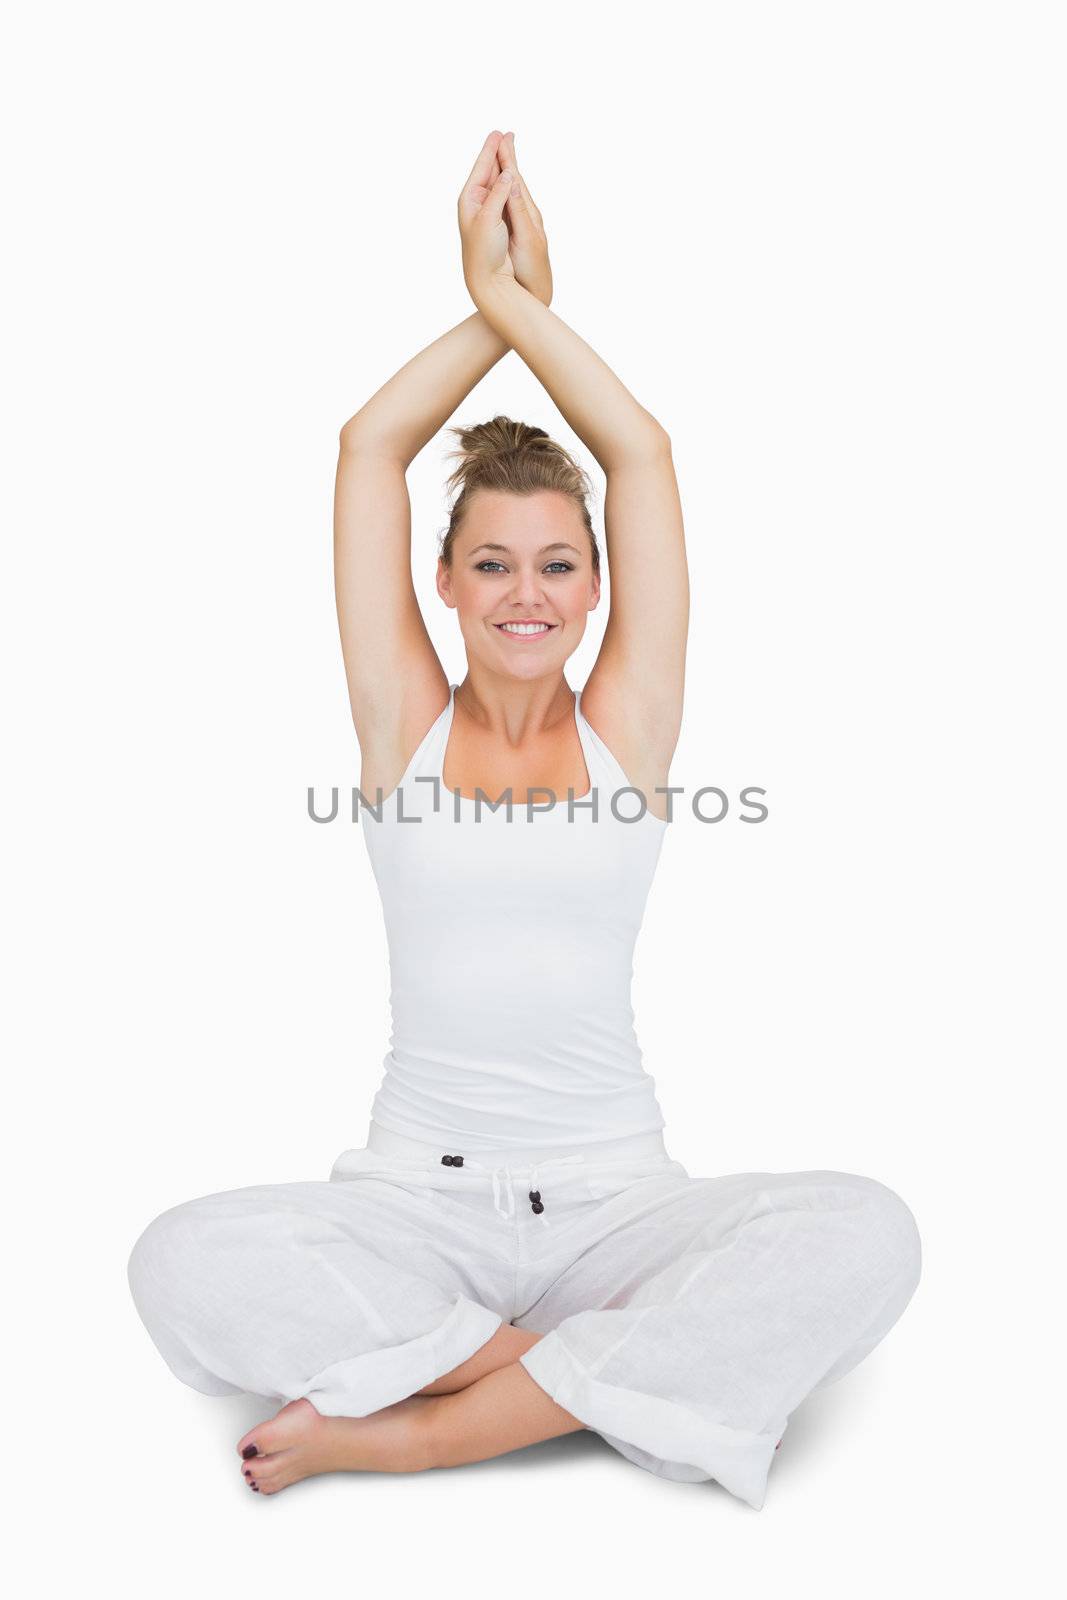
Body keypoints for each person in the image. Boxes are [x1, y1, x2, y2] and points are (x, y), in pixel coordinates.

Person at [127, 130, 922, 1509]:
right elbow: (371, 446)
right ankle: (594, 1383)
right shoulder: (401, 733)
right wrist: (488, 302)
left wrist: (525, 310)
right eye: (490, 561)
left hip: (621, 1205)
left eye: (558, 562)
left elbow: (643, 449)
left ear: (598, 586)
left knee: (870, 1233)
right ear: (442, 580)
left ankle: (428, 1421)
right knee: (178, 1258)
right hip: (411, 1204)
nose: (525, 592)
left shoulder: (631, 731)